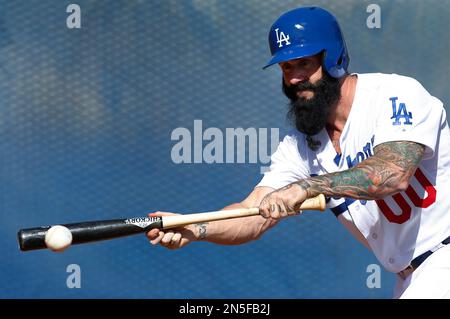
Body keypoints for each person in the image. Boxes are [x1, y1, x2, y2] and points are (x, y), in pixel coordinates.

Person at [146, 6, 450, 298]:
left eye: (304, 63)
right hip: (413, 277)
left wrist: (305, 187)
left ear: (333, 57)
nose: (293, 78)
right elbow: (252, 214)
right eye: (286, 67)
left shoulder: (394, 96)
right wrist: (195, 227)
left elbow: (393, 175)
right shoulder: (301, 146)